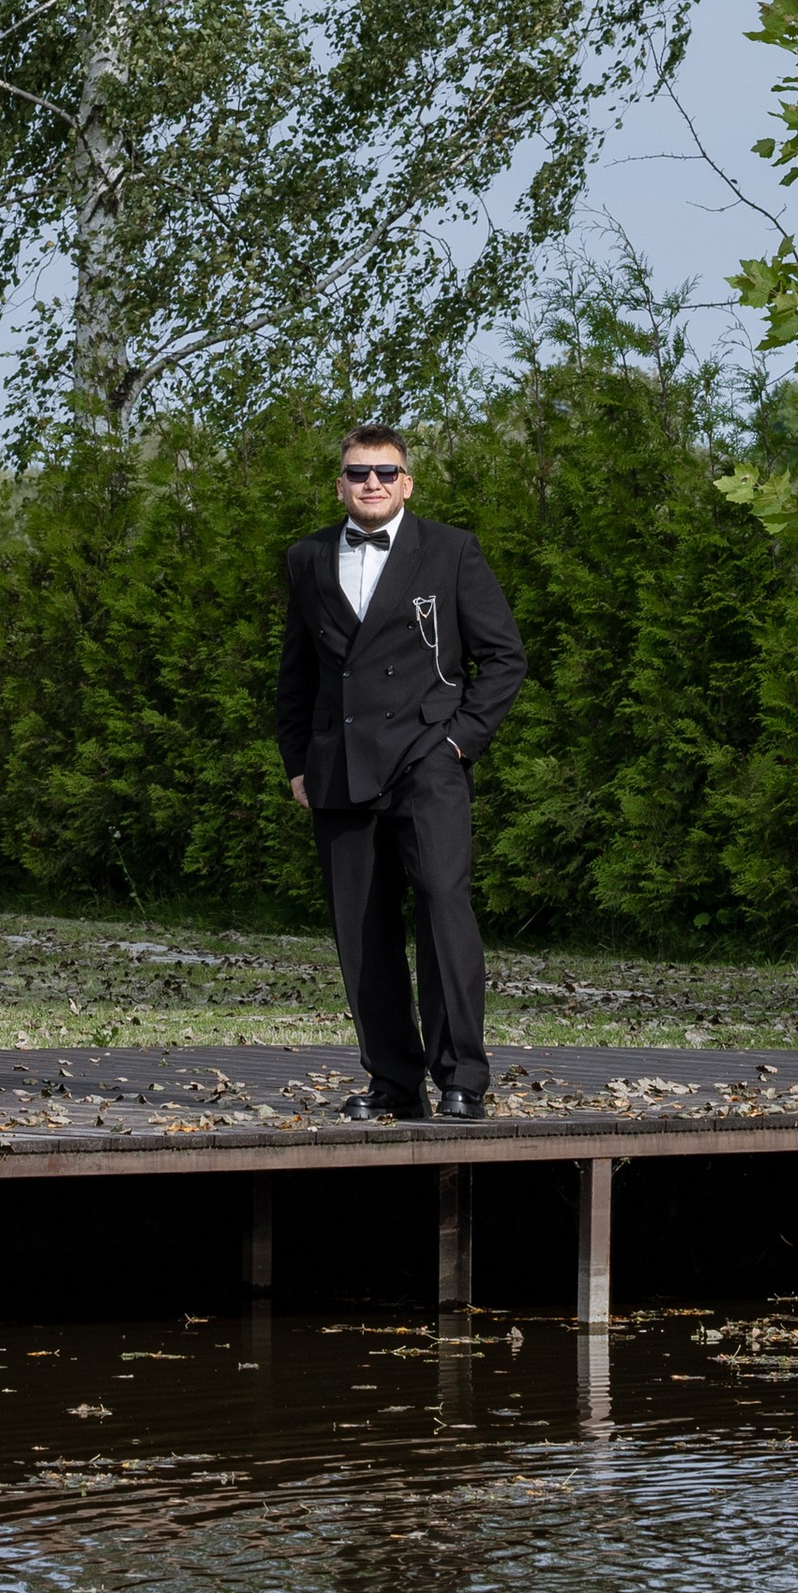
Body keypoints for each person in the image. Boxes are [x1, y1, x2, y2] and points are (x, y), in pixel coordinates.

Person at [276, 422, 528, 1122]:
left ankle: (463, 1079)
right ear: (340, 483)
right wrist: (297, 762)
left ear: (407, 482)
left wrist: (458, 744)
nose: (372, 484)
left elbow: (504, 658)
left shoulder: (450, 551)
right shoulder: (307, 558)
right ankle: (393, 1082)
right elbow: (295, 676)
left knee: (445, 913)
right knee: (362, 933)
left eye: (385, 472)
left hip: (428, 764)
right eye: (359, 472)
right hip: (340, 769)